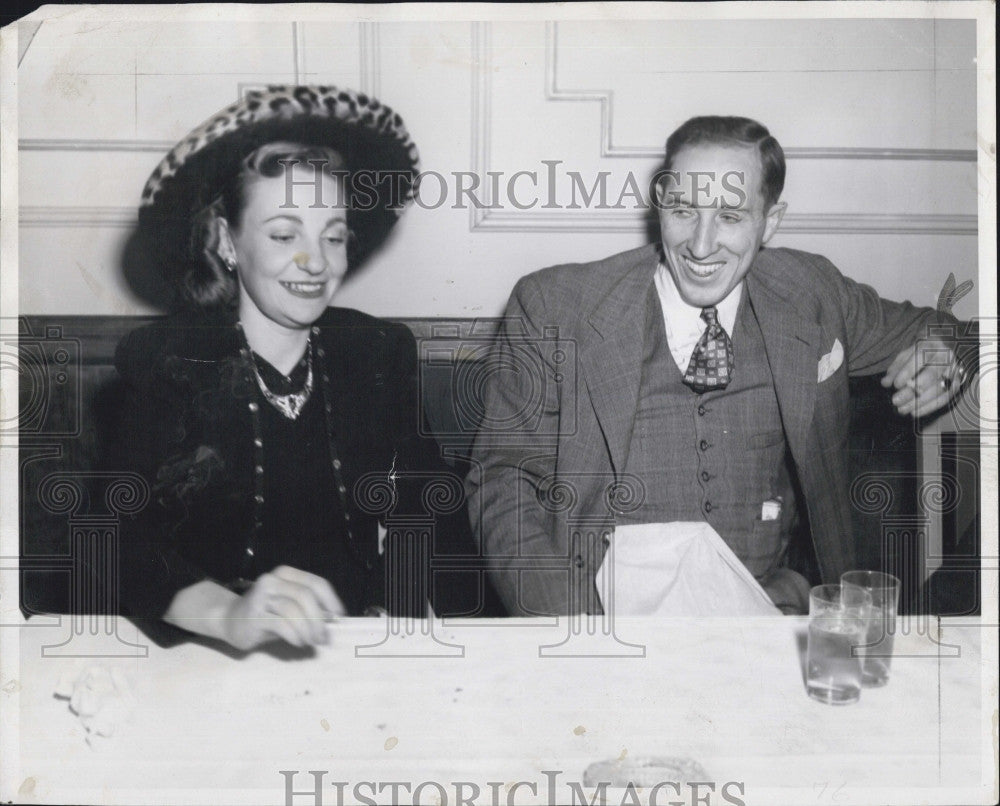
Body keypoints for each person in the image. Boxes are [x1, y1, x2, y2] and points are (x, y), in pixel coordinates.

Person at [467, 116, 971, 617]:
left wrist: (945, 348)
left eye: (730, 217)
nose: (701, 245)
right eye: (684, 211)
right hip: (603, 617)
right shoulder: (556, 307)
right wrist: (573, 630)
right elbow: (501, 481)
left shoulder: (812, 294)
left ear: (770, 221)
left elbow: (936, 328)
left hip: (765, 619)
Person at [112, 85, 491, 651]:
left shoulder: (377, 350)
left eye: (333, 236)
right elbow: (120, 542)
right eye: (285, 234)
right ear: (226, 241)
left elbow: (431, 509)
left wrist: (413, 615)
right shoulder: (164, 361)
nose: (316, 263)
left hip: (351, 654)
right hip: (210, 658)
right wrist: (230, 615)